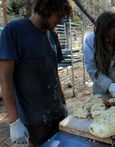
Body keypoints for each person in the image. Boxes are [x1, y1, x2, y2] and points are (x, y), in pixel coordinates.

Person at [0, 0, 72, 146]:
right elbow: (5, 79)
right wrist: (14, 121)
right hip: (34, 121)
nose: (59, 21)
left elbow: (54, 74)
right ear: (47, 9)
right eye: (58, 16)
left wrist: (63, 104)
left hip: (56, 115)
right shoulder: (14, 31)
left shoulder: (52, 36)